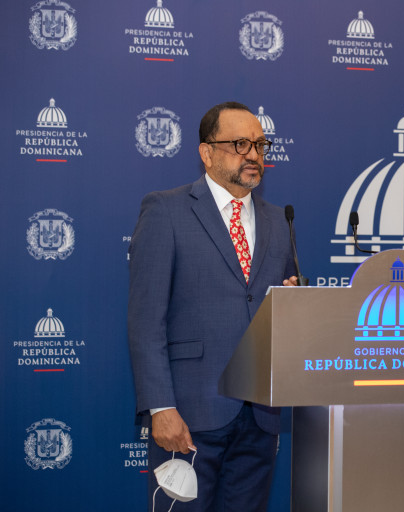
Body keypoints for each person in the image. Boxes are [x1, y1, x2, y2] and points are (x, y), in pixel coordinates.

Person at [127, 101, 298, 511]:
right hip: (188, 415)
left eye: (260, 145)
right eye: (240, 144)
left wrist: (292, 300)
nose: (253, 154)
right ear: (207, 152)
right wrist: (161, 408)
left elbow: (277, 307)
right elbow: (146, 321)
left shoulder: (280, 220)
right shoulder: (166, 210)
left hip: (260, 417)